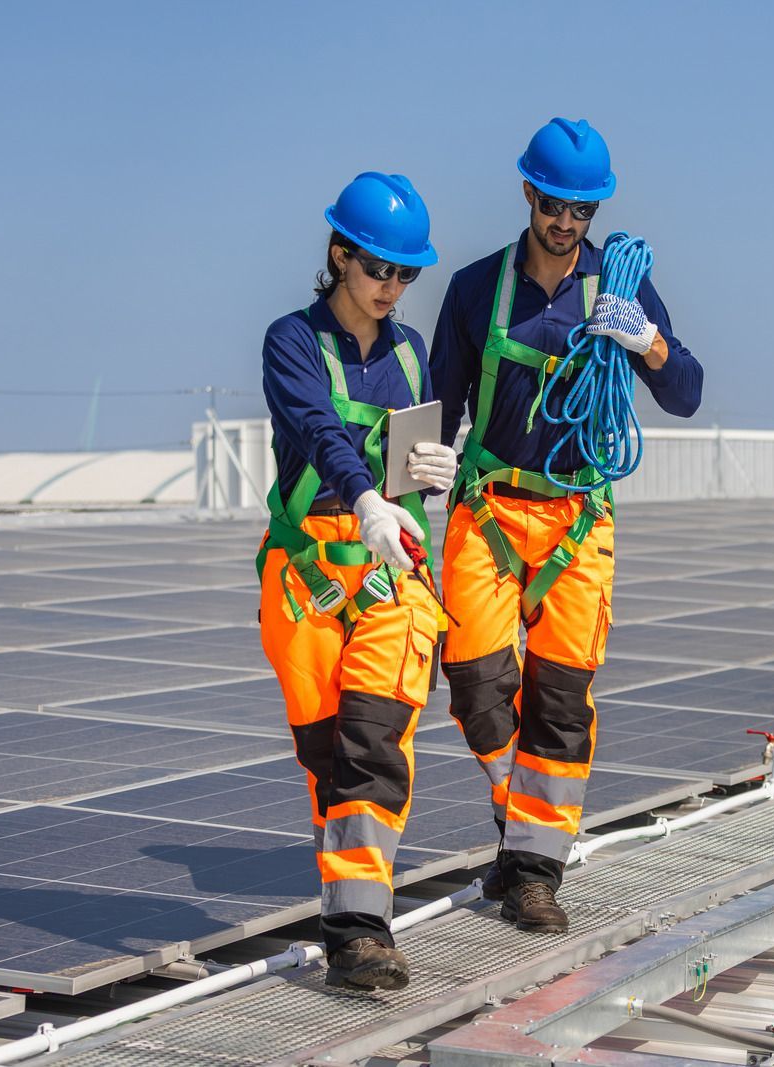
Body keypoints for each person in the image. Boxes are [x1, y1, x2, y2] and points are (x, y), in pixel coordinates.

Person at [429, 118, 703, 933]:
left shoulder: (619, 290)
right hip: (488, 507)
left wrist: (647, 342)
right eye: (555, 204)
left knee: (560, 704)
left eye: (583, 209)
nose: (567, 222)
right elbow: (437, 408)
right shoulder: (478, 289)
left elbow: (685, 391)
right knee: (477, 684)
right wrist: (399, 498)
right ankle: (529, 837)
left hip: (578, 519)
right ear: (528, 193)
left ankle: (534, 873)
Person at [257, 171, 457, 990]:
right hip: (308, 573)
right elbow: (317, 431)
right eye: (380, 269)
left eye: (407, 274)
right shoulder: (290, 340)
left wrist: (425, 475)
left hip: (388, 574)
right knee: (328, 756)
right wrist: (367, 496)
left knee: (376, 742)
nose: (393, 288)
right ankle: (350, 906)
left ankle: (359, 929)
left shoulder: (409, 353)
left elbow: (407, 470)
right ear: (339, 255)